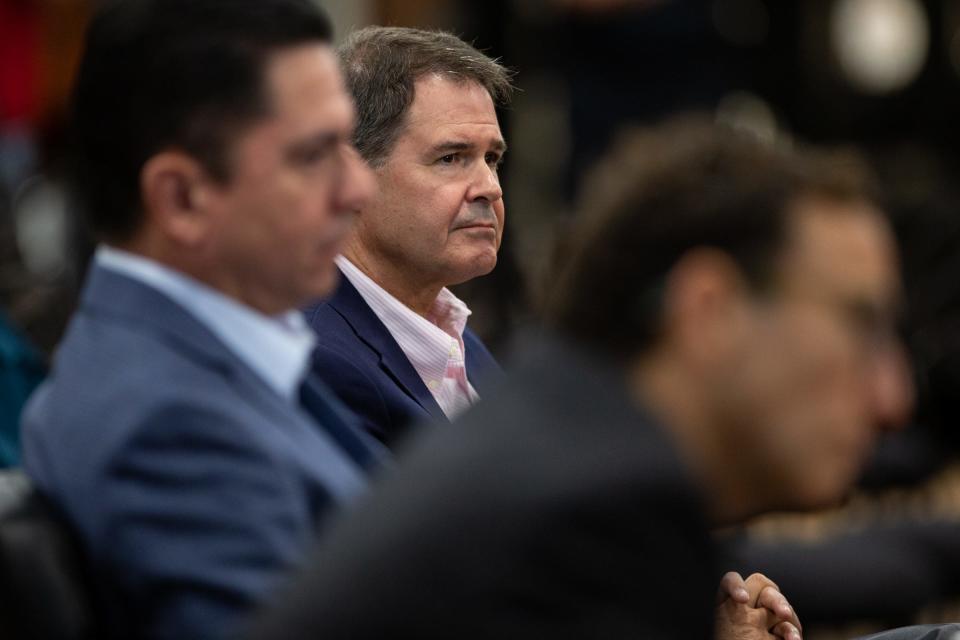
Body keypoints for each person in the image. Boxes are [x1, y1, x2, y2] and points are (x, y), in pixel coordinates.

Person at [247, 119, 912, 639]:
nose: (892, 397)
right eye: (859, 326)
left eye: (495, 159)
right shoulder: (597, 489)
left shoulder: (556, 412)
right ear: (709, 309)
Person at [20, 1, 377, 638]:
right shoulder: (168, 427)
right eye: (313, 155)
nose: (358, 190)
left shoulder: (205, 354)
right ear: (182, 199)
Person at [304, 26, 511, 447]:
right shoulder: (319, 360)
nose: (490, 186)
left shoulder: (456, 333)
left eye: (491, 158)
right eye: (451, 158)